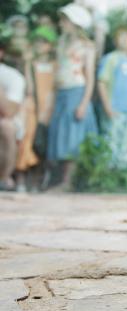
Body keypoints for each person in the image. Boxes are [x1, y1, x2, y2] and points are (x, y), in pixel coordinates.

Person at [46, 3, 98, 191]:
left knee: (72, 137)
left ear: (75, 22)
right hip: (61, 93)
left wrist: (84, 103)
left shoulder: (87, 46)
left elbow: (90, 77)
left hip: (77, 92)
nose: (61, 23)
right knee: (59, 135)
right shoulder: (61, 42)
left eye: (64, 20)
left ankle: (67, 182)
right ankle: (58, 179)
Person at [16, 26, 58, 192]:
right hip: (32, 108)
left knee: (44, 145)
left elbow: (55, 88)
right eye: (38, 41)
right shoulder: (31, 64)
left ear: (51, 45)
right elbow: (29, 88)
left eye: (44, 42)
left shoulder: (55, 65)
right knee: (27, 141)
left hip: (49, 109)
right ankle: (22, 179)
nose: (40, 45)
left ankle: (38, 180)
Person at [97, 27, 127, 169]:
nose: (125, 39)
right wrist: (107, 106)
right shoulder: (111, 59)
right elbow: (102, 82)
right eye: (121, 36)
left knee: (126, 143)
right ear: (116, 40)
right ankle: (107, 173)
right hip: (114, 108)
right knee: (111, 141)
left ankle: (121, 173)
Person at [0, 36, 26, 191]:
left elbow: (9, 112)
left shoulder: (13, 77)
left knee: (6, 126)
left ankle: (4, 178)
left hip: (6, 120)